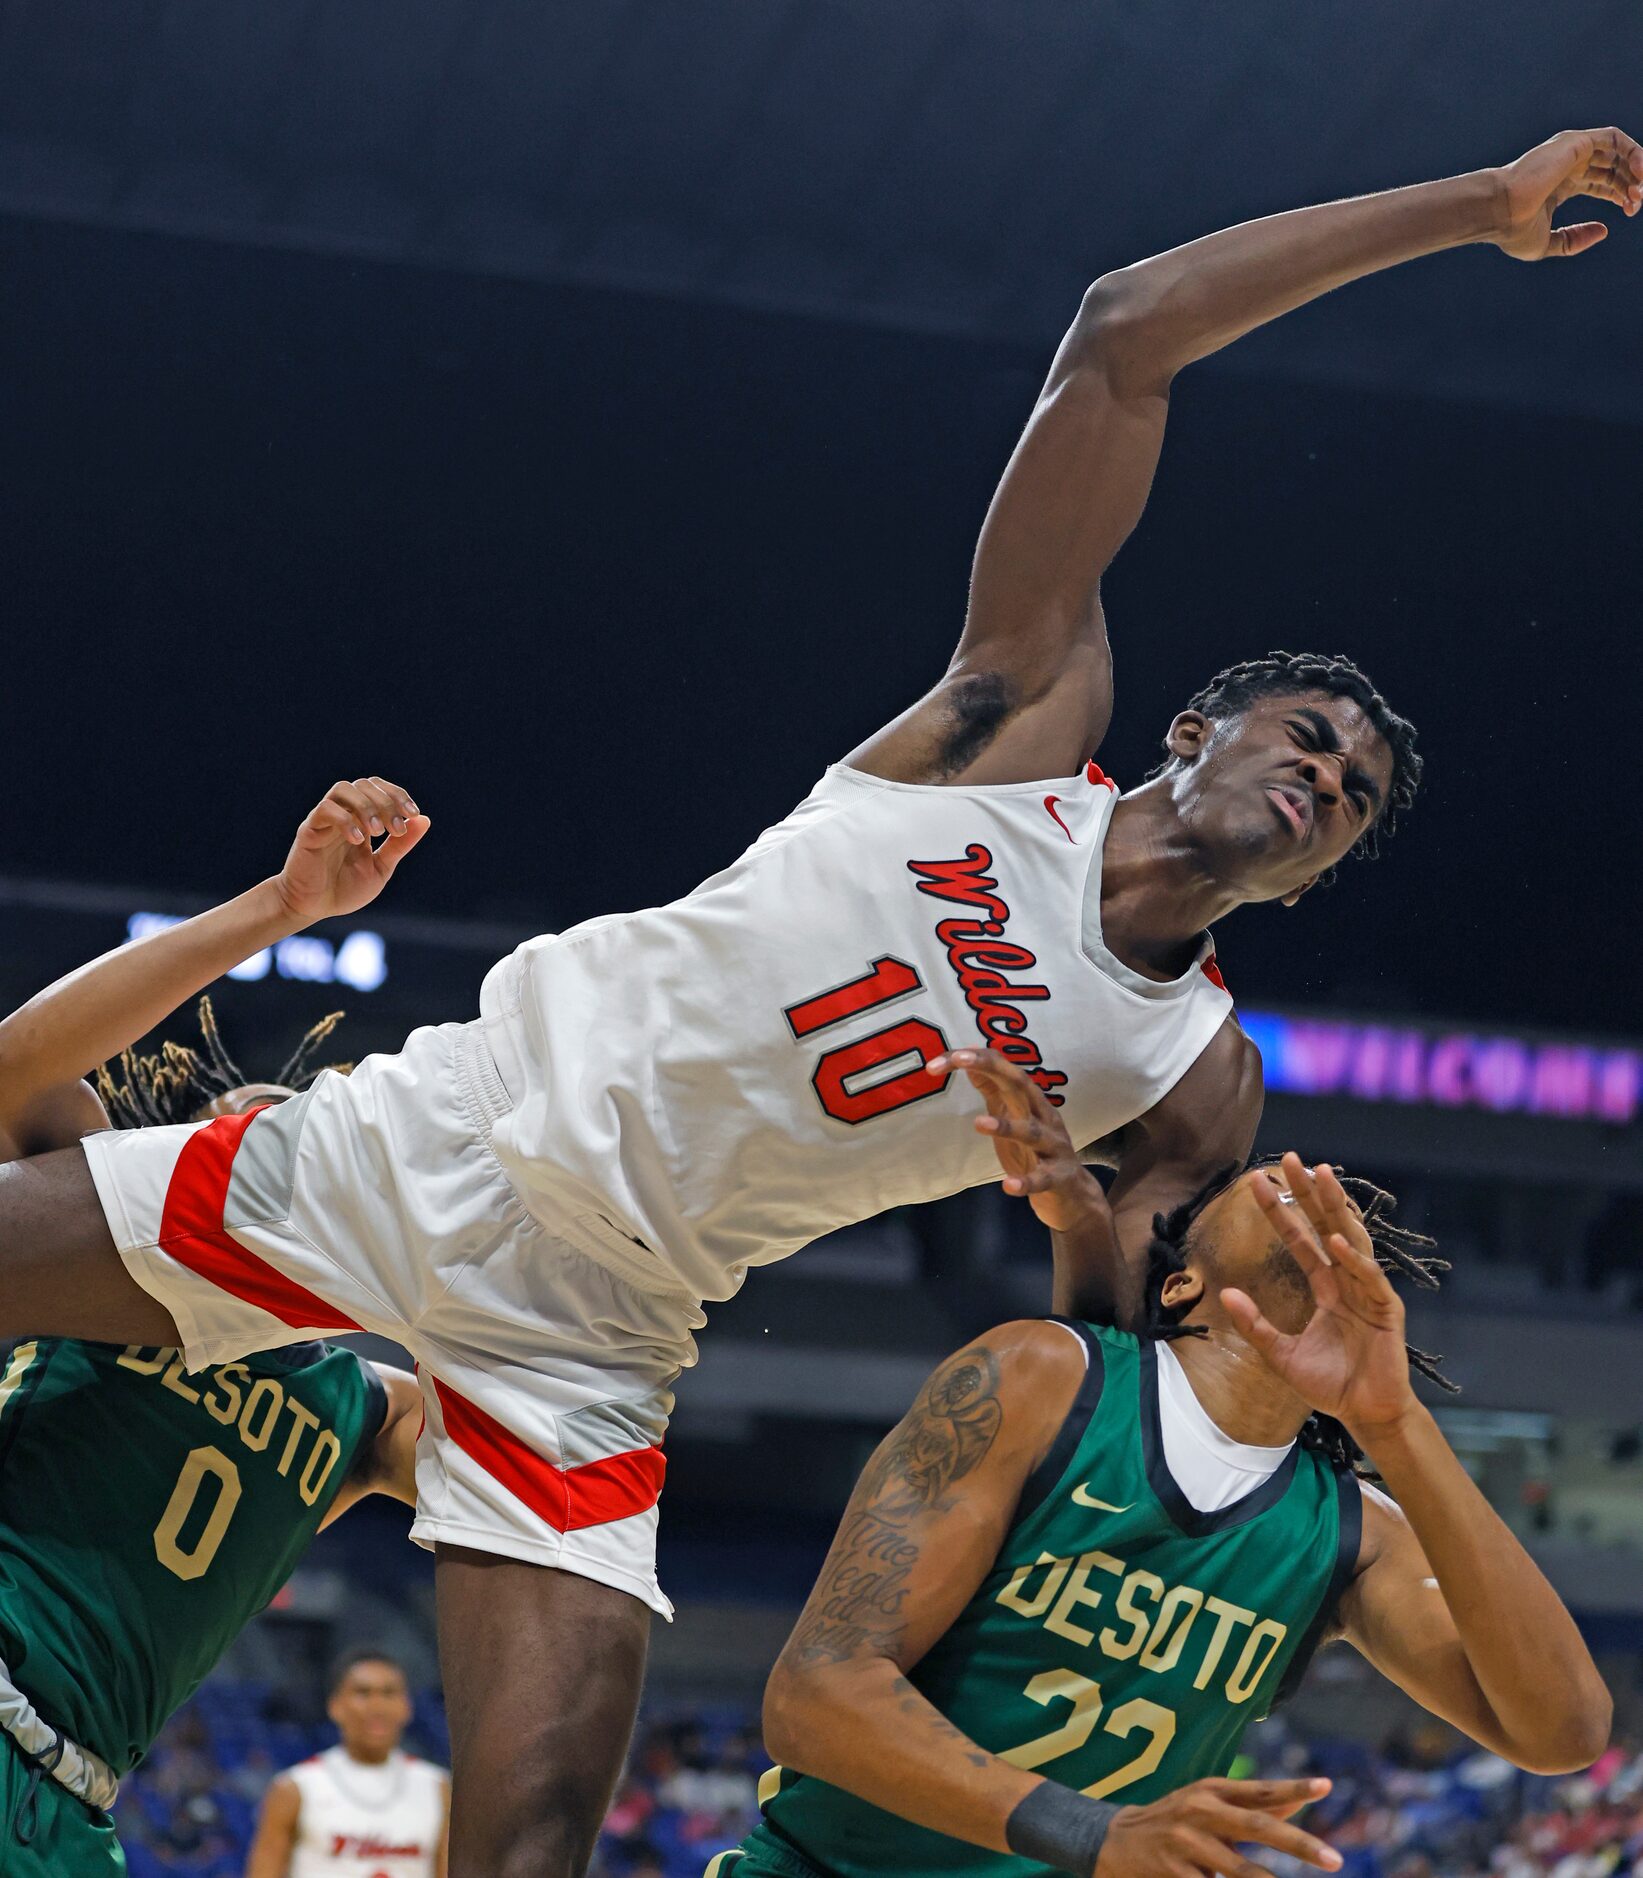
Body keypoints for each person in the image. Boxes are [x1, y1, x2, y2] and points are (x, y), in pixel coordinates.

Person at [1, 128, 1638, 1878]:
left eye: (1355, 795)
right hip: (425, 1131)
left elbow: (1109, 1340)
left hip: (597, 1326)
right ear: (1189, 732)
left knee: (533, 1846)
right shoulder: (1010, 728)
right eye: (1305, 735)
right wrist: (1470, 209)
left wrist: (1066, 1206)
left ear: (1315, 879)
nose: (1324, 775)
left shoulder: (1192, 1078)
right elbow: (1122, 330)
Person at [712, 1050, 1612, 1878]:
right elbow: (813, 1696)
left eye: (1340, 1209)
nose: (1309, 1192)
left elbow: (1563, 1731)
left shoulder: (1351, 1530)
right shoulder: (1039, 1375)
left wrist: (1395, 1422)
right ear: (1181, 1280)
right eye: (1269, 1185)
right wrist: (1091, 1833)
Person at [0, 784, 428, 1875]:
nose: (260, 1160)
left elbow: (542, 1425)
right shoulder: (110, 1249)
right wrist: (279, 908)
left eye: (301, 1150)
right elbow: (20, 1071)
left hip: (67, 1807)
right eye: (227, 1141)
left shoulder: (367, 1407)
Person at [245, 1648, 449, 1878]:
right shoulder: (294, 1788)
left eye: (389, 1693)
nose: (377, 1706)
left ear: (406, 1707)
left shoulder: (436, 1787)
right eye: (363, 1693)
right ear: (335, 1706)